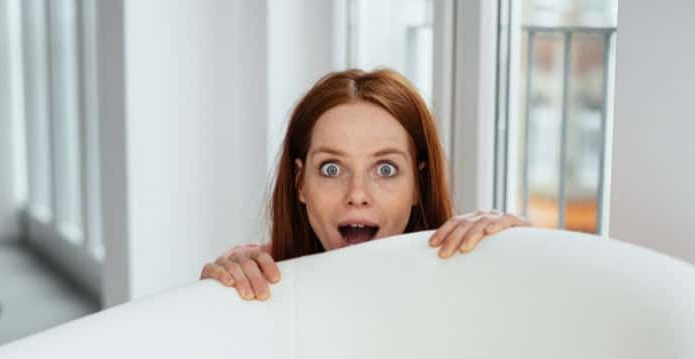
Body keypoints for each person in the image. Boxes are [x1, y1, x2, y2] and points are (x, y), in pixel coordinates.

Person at [200, 68, 530, 301]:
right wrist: (217, 302)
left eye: (385, 169)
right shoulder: (262, 279)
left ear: (418, 184)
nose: (357, 194)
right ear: (300, 183)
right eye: (331, 168)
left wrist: (521, 249)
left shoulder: (469, 281)